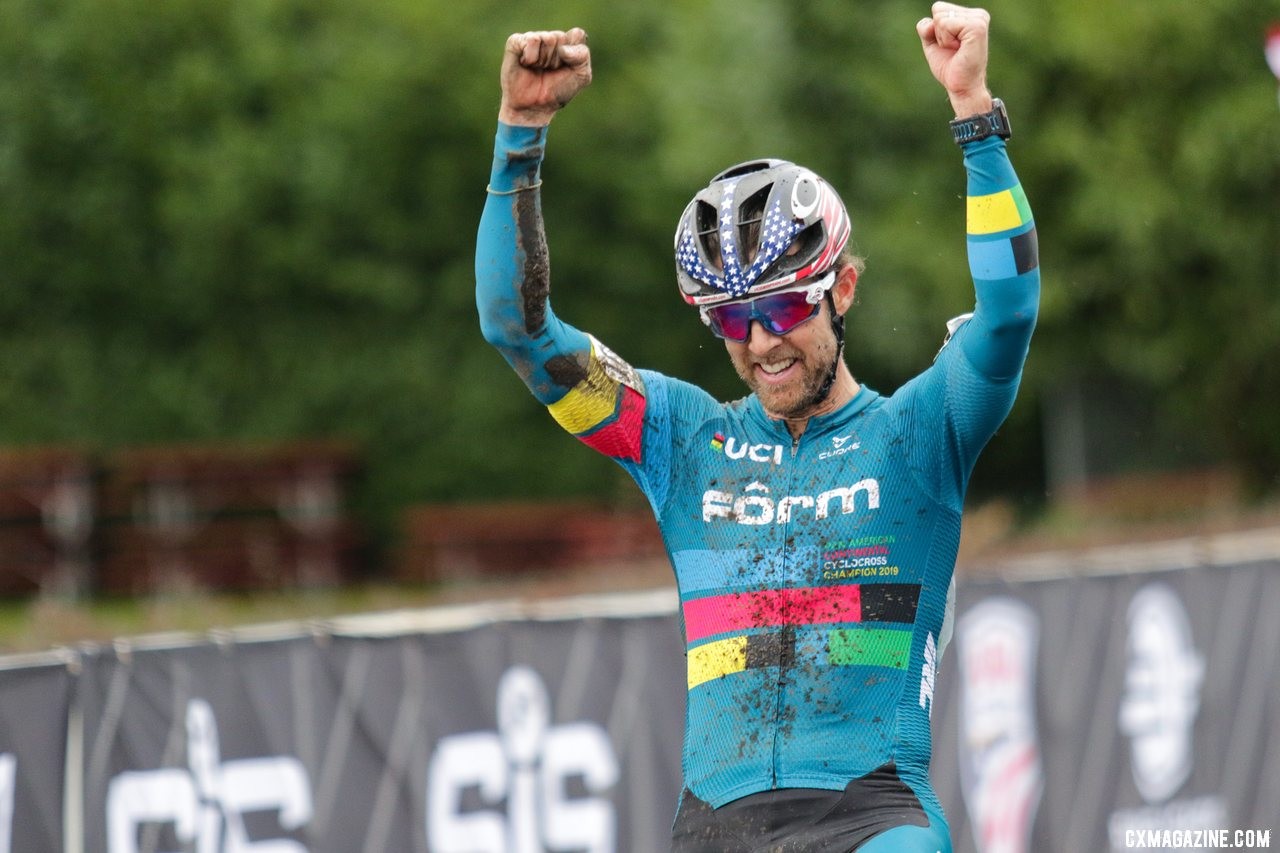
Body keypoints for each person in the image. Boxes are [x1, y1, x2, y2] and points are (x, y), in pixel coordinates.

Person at [476, 3, 1039, 850]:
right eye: (733, 319)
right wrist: (520, 131)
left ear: (842, 290)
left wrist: (974, 114)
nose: (763, 340)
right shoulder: (677, 439)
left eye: (782, 306)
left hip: (871, 817)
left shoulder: (921, 435)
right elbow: (517, 331)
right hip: (713, 825)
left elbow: (1006, 315)